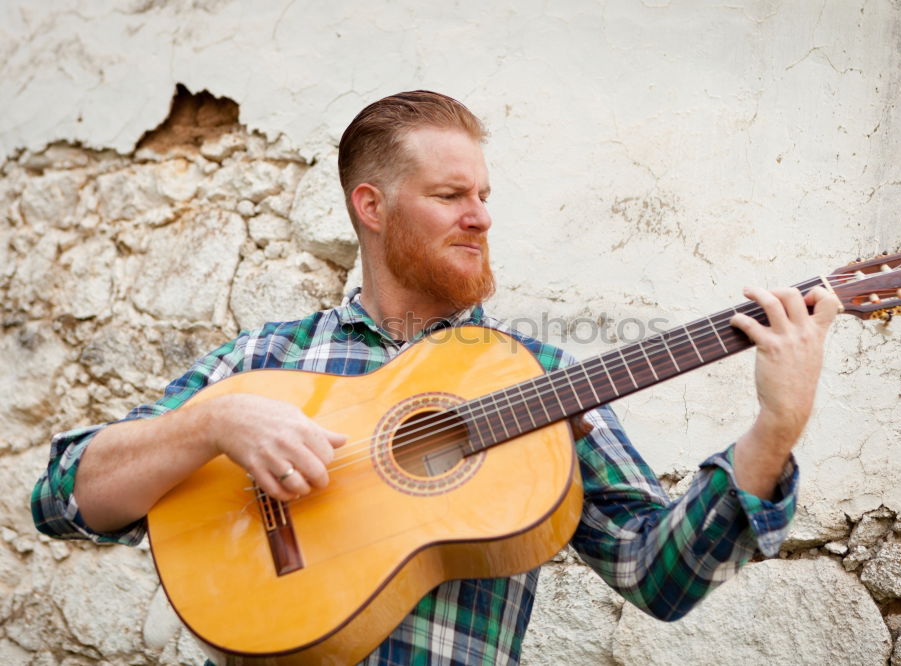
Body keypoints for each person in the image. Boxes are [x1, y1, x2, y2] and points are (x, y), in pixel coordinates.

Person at [32, 90, 840, 664]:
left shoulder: (537, 378)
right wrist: (214, 423)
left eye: (485, 194)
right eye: (452, 193)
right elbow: (63, 493)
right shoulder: (267, 360)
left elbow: (655, 574)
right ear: (372, 206)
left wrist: (773, 432)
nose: (482, 216)